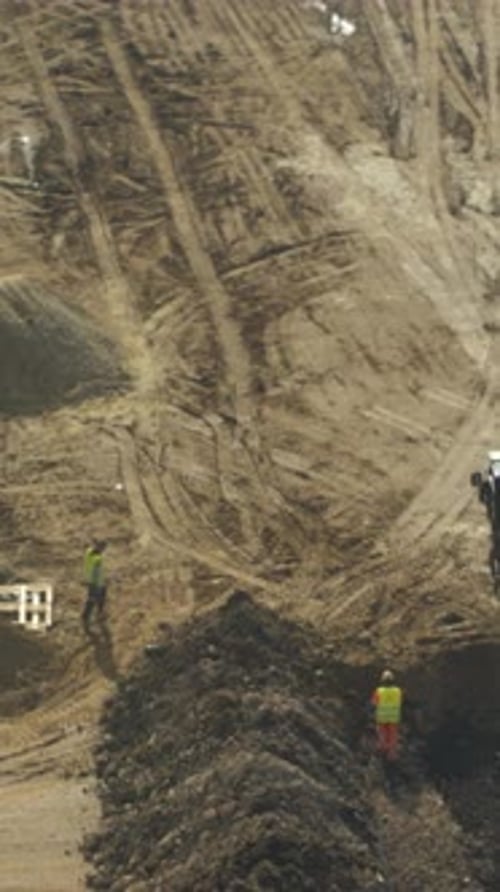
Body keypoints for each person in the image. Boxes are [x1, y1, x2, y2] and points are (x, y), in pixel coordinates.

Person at [371, 669, 403, 761]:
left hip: (382, 716)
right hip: (394, 716)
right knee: (393, 735)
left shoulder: (379, 691)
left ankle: (382, 748)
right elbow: (400, 701)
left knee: (382, 733)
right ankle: (392, 754)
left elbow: (374, 702)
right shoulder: (398, 691)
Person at [82, 539, 108, 629]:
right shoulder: (98, 559)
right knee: (93, 599)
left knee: (98, 598)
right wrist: (96, 585)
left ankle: (97, 613)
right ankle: (87, 616)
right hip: (96, 583)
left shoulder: (88, 552)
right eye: (103, 548)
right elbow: (96, 573)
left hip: (89, 580)